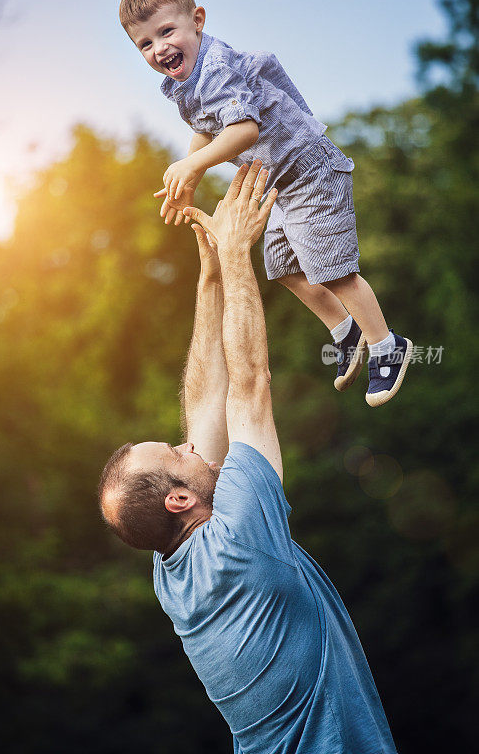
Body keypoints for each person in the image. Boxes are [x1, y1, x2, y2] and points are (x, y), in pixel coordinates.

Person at [99, 162, 399, 753]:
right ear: (178, 498)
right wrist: (239, 254)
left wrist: (210, 279)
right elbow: (250, 387)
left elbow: (206, 401)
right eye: (176, 450)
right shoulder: (238, 539)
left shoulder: (174, 571)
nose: (189, 443)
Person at [118, 0, 412, 407]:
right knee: (283, 266)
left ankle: (388, 345)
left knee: (334, 270)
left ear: (197, 20)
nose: (160, 49)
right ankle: (345, 331)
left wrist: (194, 163)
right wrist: (190, 170)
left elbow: (243, 130)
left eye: (166, 31)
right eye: (145, 43)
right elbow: (206, 128)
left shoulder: (216, 68)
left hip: (309, 172)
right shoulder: (183, 84)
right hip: (281, 186)